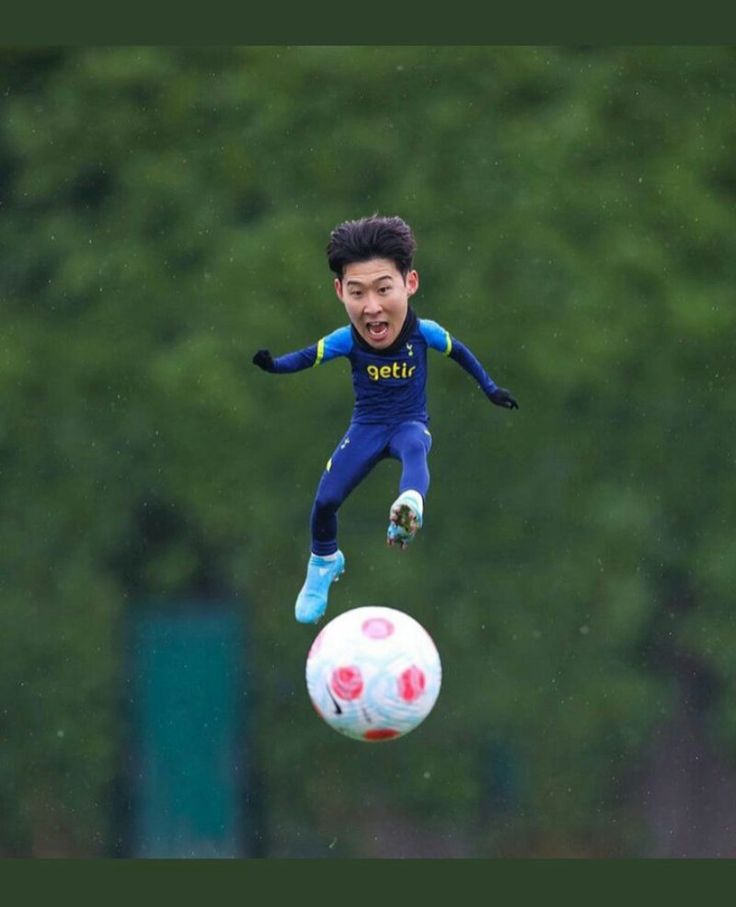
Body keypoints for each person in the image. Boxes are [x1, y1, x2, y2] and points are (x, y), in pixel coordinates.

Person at [253, 214, 518, 624]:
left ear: (410, 283)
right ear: (340, 291)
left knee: (415, 448)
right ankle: (324, 561)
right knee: (324, 502)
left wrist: (490, 388)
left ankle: (409, 506)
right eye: (357, 292)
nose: (372, 307)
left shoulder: (424, 332)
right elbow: (306, 357)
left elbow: (461, 353)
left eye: (383, 289)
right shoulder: (346, 339)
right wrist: (273, 366)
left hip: (409, 421)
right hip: (366, 428)